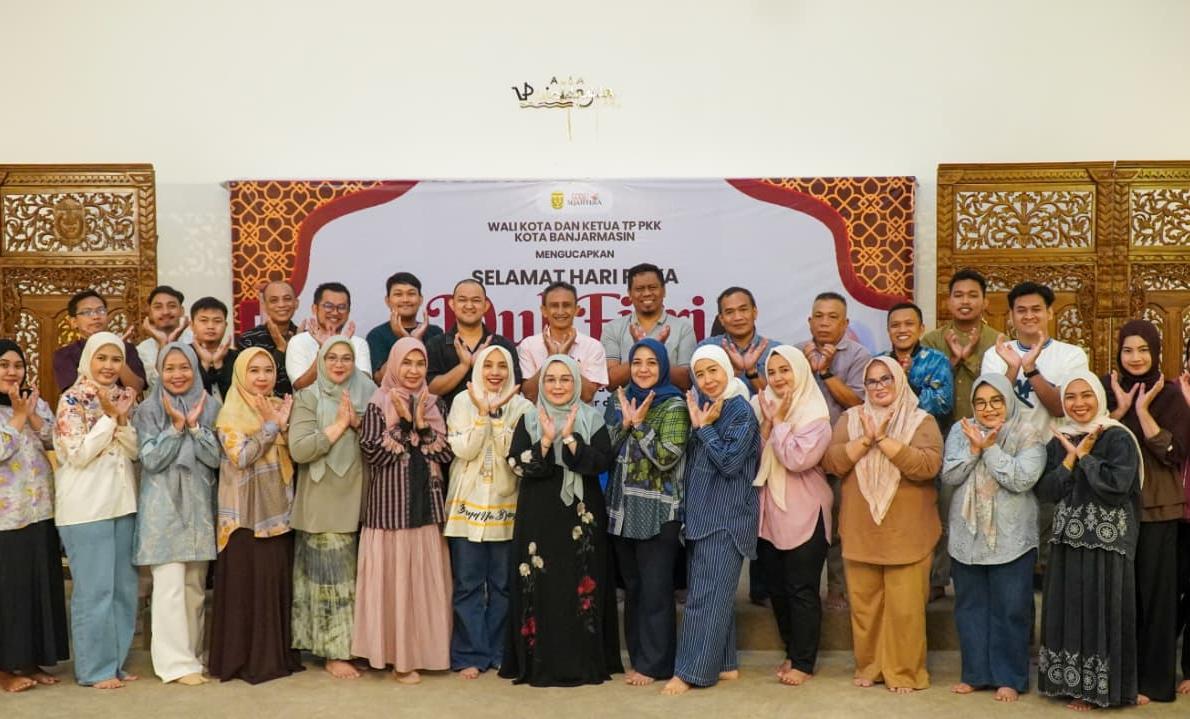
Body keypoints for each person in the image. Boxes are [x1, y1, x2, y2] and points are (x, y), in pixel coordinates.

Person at [820, 357, 943, 694]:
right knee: (865, 607)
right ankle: (870, 666)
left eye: (886, 378)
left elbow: (928, 466)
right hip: (862, 529)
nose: (879, 386)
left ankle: (905, 672)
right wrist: (865, 440)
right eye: (872, 381)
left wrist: (886, 441)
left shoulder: (921, 420)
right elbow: (831, 462)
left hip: (908, 532)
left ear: (899, 380)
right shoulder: (851, 419)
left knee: (906, 610)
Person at [503, 355, 622, 686]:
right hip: (538, 512)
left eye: (565, 379)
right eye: (551, 379)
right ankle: (538, 661)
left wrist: (569, 438)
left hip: (581, 513)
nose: (557, 386)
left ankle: (582, 661)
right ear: (541, 384)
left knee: (579, 579)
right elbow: (516, 464)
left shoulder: (592, 418)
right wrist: (545, 440)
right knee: (541, 582)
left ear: (577, 383)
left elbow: (602, 462)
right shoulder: (529, 418)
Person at [1036, 371, 1142, 710]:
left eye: (1086, 395)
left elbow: (1117, 486)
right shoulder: (1059, 439)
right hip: (1067, 542)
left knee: (1102, 612)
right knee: (1069, 610)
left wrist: (1085, 456)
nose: (1078, 403)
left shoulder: (1117, 436)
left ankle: (1100, 691)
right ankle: (1070, 685)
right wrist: (1070, 457)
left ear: (1098, 396)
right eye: (1070, 397)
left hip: (1107, 544)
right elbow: (1047, 491)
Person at [353, 337, 454, 684]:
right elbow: (374, 454)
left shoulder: (434, 404)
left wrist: (421, 424)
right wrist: (405, 424)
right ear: (394, 365)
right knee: (393, 586)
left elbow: (445, 454)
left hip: (426, 507)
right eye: (407, 363)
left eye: (420, 363)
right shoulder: (378, 403)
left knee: (422, 586)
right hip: (389, 511)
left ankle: (422, 653)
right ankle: (396, 658)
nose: (413, 371)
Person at [941, 373, 1046, 702]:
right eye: (981, 402)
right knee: (970, 607)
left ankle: (1009, 678)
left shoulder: (1027, 432)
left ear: (1008, 400)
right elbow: (950, 474)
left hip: (1011, 536)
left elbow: (1022, 478)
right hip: (967, 534)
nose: (988, 409)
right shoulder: (961, 430)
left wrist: (988, 450)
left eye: (996, 401)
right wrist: (973, 449)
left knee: (1010, 608)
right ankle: (975, 674)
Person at [662, 345, 760, 696]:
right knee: (716, 594)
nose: (707, 380)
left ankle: (691, 672)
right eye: (700, 374)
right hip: (703, 516)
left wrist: (703, 429)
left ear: (727, 370)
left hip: (725, 518)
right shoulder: (708, 405)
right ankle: (724, 663)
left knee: (704, 598)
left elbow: (730, 463)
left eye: (713, 371)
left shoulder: (740, 410)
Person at [981, 281, 1090, 583]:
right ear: (1011, 316)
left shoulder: (1071, 355)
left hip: (1053, 457)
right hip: (1006, 456)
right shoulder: (996, 355)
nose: (1029, 316)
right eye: (1021, 310)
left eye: (1036, 309)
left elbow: (1060, 407)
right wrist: (1012, 367)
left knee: (1048, 543)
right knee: (1010, 543)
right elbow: (992, 405)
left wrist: (1030, 369)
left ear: (1050, 313)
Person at [1103, 320, 1188, 704]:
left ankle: (1153, 682)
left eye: (1143, 350)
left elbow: (1174, 453)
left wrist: (1142, 410)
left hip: (1157, 506)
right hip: (1113, 506)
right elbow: (1092, 441)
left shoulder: (1170, 396)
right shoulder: (1107, 389)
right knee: (1118, 595)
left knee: (1156, 597)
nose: (1135, 358)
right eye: (1127, 350)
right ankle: (1117, 677)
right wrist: (1121, 408)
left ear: (1155, 352)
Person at [208, 348, 304, 684]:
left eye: (267, 370)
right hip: (245, 519)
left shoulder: (279, 405)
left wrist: (284, 426)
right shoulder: (230, 413)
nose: (262, 377)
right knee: (246, 590)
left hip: (279, 514)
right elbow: (242, 457)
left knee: (273, 585)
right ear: (240, 375)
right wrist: (271, 426)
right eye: (254, 370)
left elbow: (296, 454)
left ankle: (274, 656)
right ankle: (243, 660)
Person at [52, 332, 140, 689]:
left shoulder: (122, 396)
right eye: (101, 358)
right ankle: (94, 669)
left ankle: (115, 663)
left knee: (123, 590)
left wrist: (120, 418)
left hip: (123, 504)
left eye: (116, 359)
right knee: (94, 592)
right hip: (86, 508)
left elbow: (133, 450)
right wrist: (109, 419)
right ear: (88, 359)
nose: (109, 366)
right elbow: (78, 453)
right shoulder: (71, 399)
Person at [131, 342, 222, 685]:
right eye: (169, 368)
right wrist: (176, 428)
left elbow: (216, 459)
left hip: (199, 506)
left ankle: (192, 656)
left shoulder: (211, 406)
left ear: (195, 369)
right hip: (163, 507)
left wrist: (196, 427)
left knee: (194, 588)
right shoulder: (148, 410)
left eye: (184, 367)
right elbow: (151, 459)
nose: (177, 374)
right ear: (159, 371)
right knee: (168, 587)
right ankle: (174, 664)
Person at [288, 336, 376, 679]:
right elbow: (299, 450)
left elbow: (383, 441)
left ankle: (354, 646)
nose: (339, 364)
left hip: (363, 497)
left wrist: (359, 423)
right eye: (332, 358)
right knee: (330, 580)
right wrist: (339, 426)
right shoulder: (308, 397)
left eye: (346, 358)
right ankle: (333, 652)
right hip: (323, 499)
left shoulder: (369, 393)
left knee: (355, 580)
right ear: (321, 362)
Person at [604, 338, 690, 686]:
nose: (642, 369)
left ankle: (656, 665)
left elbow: (667, 457)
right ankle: (640, 658)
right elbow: (605, 451)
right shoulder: (619, 400)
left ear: (663, 366)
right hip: (622, 510)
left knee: (656, 590)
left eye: (651, 362)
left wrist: (639, 425)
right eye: (637, 362)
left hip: (659, 512)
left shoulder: (675, 405)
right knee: (634, 589)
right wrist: (624, 423)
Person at [444, 345, 532, 679]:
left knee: (503, 585)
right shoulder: (461, 401)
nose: (495, 372)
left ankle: (498, 651)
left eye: (502, 366)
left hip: (506, 506)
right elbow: (464, 449)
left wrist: (497, 417)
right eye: (488, 365)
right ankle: (469, 653)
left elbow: (516, 454)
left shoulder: (523, 406)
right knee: (467, 585)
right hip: (467, 506)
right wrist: (483, 414)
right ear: (478, 368)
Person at [751, 345, 833, 686]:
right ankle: (791, 650)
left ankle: (803, 662)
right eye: (772, 372)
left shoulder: (815, 414)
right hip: (769, 511)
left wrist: (780, 423)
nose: (778, 378)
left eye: (785, 370)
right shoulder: (760, 405)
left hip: (805, 510)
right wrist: (767, 425)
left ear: (799, 371)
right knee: (778, 589)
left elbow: (797, 460)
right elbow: (752, 457)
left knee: (801, 589)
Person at [922, 269, 999, 601]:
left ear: (984, 301)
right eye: (958, 295)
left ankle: (984, 577)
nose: (965, 301)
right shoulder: (931, 341)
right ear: (948, 300)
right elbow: (924, 387)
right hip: (940, 437)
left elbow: (999, 388)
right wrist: (953, 361)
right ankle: (937, 578)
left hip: (988, 439)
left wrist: (972, 359)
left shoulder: (997, 342)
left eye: (972, 295)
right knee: (940, 508)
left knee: (985, 507)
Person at [0, 340, 68, 693]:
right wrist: (17, 418)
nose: (13, 372)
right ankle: (3, 669)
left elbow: (57, 440)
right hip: (5, 519)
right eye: (4, 365)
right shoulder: (15, 411)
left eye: (18, 365)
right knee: (8, 594)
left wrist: (32, 413)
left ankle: (29, 660)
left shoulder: (34, 402)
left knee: (36, 589)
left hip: (41, 510)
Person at [798, 291, 871, 610]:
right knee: (806, 527)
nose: (824, 323)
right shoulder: (797, 353)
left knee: (841, 524)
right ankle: (804, 590)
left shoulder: (858, 355)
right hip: (802, 456)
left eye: (832, 317)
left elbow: (857, 402)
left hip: (843, 453)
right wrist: (806, 368)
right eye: (819, 316)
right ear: (809, 320)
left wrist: (826, 372)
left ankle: (837, 589)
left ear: (845, 322)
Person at [884, 301, 953, 601]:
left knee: (932, 511)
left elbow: (941, 403)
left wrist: (906, 382)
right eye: (895, 325)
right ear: (888, 330)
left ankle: (935, 579)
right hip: (888, 449)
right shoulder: (880, 362)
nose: (902, 330)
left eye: (908, 324)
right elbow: (874, 402)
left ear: (921, 328)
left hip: (925, 445)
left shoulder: (936, 360)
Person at [426, 278, 520, 409]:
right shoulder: (436, 345)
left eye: (476, 300)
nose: (469, 306)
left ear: (486, 305)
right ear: (452, 304)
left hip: (495, 420)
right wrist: (464, 366)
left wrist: (480, 365)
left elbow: (515, 389)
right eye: (462, 300)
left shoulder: (503, 345)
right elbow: (430, 389)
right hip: (448, 421)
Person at [602, 263, 696, 391]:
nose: (646, 293)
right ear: (629, 293)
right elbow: (610, 381)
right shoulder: (613, 329)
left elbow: (686, 381)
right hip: (625, 402)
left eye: (652, 287)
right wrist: (649, 353)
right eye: (639, 289)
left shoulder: (683, 328)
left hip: (670, 402)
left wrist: (650, 353)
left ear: (663, 291)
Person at [518, 282, 607, 403]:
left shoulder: (593, 346)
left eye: (566, 305)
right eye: (554, 306)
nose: (560, 311)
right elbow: (530, 395)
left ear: (576, 310)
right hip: (539, 415)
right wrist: (551, 358)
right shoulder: (528, 345)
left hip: (578, 415)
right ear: (544, 310)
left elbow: (587, 396)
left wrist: (564, 358)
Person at [52, 290, 146, 394]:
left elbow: (137, 389)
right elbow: (73, 394)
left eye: (100, 310)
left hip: (124, 403)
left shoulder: (126, 348)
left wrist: (118, 355)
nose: (96, 317)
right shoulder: (65, 355)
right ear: (74, 322)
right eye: (87, 312)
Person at [287, 282, 371, 392]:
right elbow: (300, 386)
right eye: (328, 306)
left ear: (348, 312)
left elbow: (365, 386)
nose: (335, 312)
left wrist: (342, 345)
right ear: (314, 309)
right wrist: (324, 350)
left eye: (342, 307)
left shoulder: (358, 343)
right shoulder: (298, 342)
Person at [366, 271, 444, 382]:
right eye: (398, 294)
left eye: (411, 294)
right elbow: (380, 378)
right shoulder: (377, 335)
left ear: (420, 299)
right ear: (387, 301)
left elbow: (436, 376)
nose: (405, 299)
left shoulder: (435, 332)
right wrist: (405, 341)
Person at [237, 280, 299, 396]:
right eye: (274, 300)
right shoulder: (249, 339)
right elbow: (250, 384)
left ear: (296, 303)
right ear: (264, 306)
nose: (281, 305)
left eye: (287, 299)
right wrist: (280, 349)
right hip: (260, 405)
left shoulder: (305, 338)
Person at [135, 285, 191, 389]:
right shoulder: (142, 350)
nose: (165, 312)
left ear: (182, 311)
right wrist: (162, 343)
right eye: (158, 307)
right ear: (150, 313)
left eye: (172, 306)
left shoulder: (196, 341)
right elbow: (155, 386)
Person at [189, 297, 237, 399]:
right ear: (192, 325)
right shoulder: (183, 355)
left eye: (217, 321)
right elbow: (187, 395)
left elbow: (237, 397)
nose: (210, 326)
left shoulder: (237, 358)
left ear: (225, 325)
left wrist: (219, 366)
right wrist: (205, 365)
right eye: (204, 320)